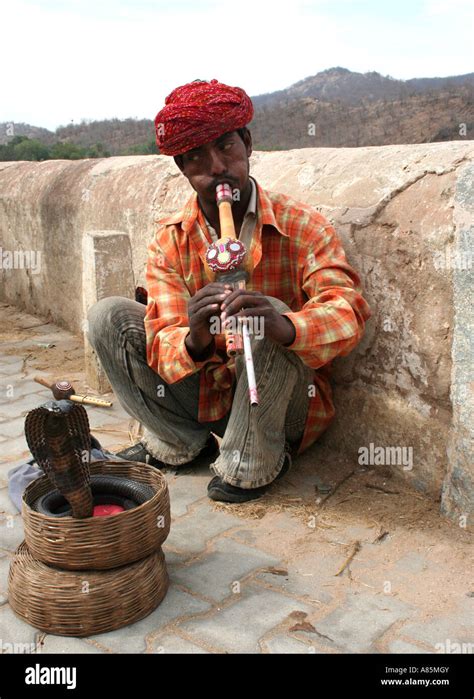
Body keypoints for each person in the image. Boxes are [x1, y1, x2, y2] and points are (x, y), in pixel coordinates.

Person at [87, 79, 371, 504]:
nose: (217, 167)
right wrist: (195, 338)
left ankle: (251, 462)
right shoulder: (170, 242)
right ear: (183, 167)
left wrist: (286, 324)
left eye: (226, 148)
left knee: (266, 311)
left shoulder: (301, 224)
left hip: (279, 401)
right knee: (107, 316)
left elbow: (347, 311)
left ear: (248, 144)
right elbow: (162, 342)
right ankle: (182, 442)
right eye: (197, 157)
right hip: (207, 391)